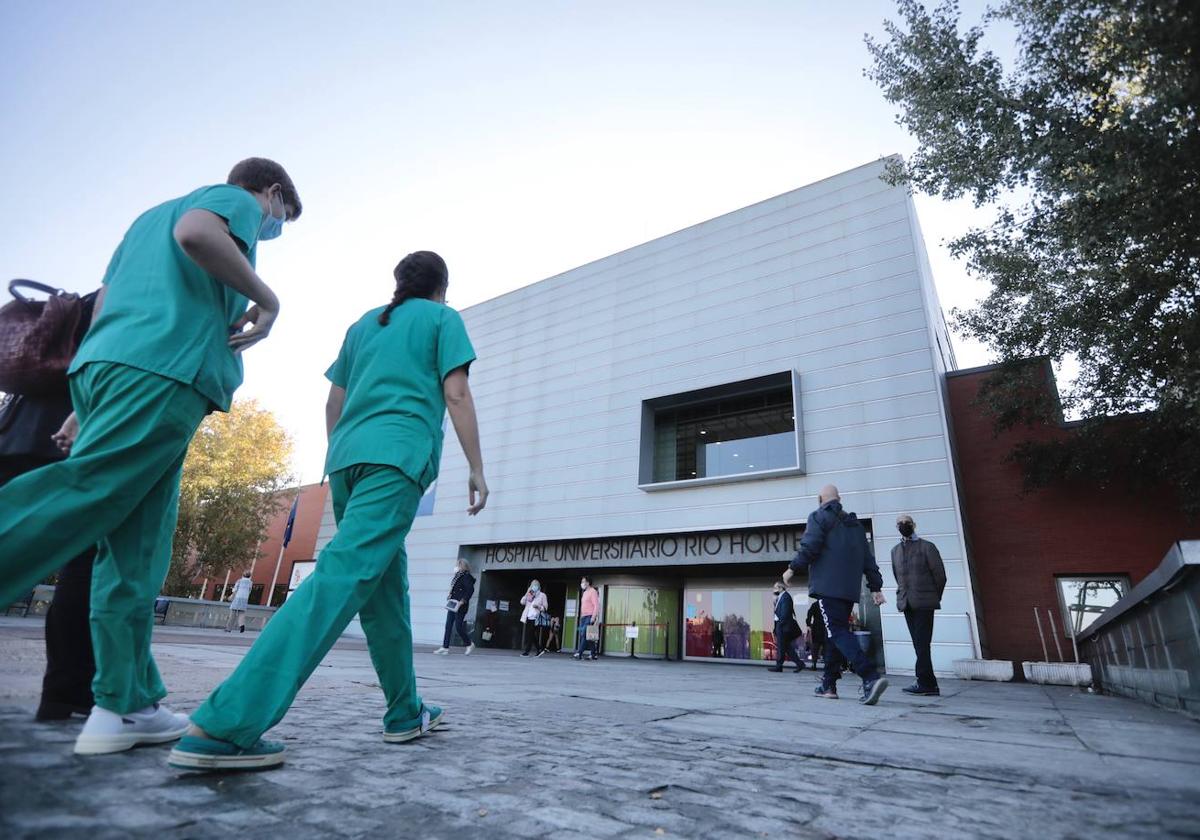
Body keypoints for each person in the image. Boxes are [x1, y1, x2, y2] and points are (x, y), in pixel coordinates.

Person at [0, 158, 301, 755]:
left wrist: (84, 403)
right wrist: (267, 302)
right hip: (163, 370)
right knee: (82, 495)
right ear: (271, 192)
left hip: (112, 368)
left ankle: (124, 705)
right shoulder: (232, 198)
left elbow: (105, 305)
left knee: (137, 546)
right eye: (281, 218)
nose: (272, 228)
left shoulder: (143, 223)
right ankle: (123, 701)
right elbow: (198, 234)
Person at [169, 250, 486, 771]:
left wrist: (340, 451)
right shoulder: (442, 318)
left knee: (384, 590)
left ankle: (405, 712)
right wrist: (476, 467)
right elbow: (455, 393)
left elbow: (332, 403)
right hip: (396, 459)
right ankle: (226, 725)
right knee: (339, 578)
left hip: (347, 463)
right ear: (441, 289)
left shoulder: (364, 325)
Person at [0, 291, 98, 721]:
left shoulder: (71, 311)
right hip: (69, 439)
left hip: (16, 435)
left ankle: (69, 690)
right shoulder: (129, 304)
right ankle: (68, 690)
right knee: (86, 566)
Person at [783, 484, 889, 705]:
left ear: (820, 499)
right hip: (849, 591)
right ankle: (829, 684)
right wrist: (876, 587)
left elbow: (810, 546)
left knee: (838, 631)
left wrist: (793, 568)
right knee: (834, 634)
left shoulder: (819, 516)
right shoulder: (856, 526)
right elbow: (868, 560)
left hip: (828, 587)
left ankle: (869, 676)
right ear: (839, 499)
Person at [892, 514, 947, 696]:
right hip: (907, 603)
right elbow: (897, 576)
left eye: (906, 522)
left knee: (922, 643)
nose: (903, 525)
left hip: (924, 603)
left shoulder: (927, 547)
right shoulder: (895, 551)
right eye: (900, 523)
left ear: (913, 525)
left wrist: (932, 596)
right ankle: (928, 683)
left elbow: (940, 576)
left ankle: (925, 682)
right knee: (919, 643)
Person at [434, 559, 476, 655]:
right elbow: (455, 589)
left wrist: (463, 601)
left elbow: (470, 590)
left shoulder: (466, 577)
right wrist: (450, 595)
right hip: (453, 603)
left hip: (460, 605)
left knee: (458, 627)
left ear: (463, 566)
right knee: (448, 625)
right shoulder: (457, 577)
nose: (456, 567)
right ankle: (445, 647)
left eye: (458, 565)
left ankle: (469, 644)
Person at [767, 581, 804, 673]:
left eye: (775, 587)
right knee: (786, 647)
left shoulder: (786, 597)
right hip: (781, 626)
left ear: (781, 588)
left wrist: (779, 625)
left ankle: (779, 666)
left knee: (781, 647)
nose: (774, 589)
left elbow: (785, 613)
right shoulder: (781, 597)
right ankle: (799, 664)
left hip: (783, 626)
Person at [573, 576, 600, 661]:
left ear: (588, 582)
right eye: (582, 581)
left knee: (584, 634)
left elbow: (596, 605)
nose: (582, 583)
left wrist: (593, 617)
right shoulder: (585, 593)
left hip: (589, 616)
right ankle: (593, 654)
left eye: (583, 581)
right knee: (589, 635)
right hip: (583, 617)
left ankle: (579, 653)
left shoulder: (593, 592)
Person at [519, 580, 548, 657]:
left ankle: (527, 652)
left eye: (535, 585)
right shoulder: (530, 594)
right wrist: (527, 592)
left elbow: (545, 607)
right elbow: (522, 602)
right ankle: (539, 649)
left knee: (530, 634)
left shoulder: (542, 595)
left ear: (538, 586)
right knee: (532, 635)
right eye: (532, 585)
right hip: (528, 617)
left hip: (536, 617)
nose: (534, 586)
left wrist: (538, 607)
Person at [805, 599, 826, 669]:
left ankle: (814, 664)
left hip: (816, 628)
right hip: (826, 628)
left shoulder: (815, 604)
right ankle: (827, 665)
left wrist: (808, 624)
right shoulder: (827, 604)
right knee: (826, 647)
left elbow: (809, 613)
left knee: (815, 648)